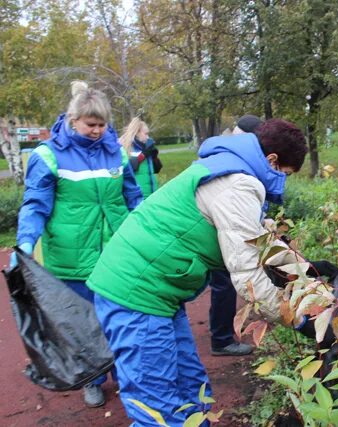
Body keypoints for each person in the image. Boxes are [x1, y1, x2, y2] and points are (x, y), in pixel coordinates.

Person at [86, 119, 309, 426]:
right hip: (136, 291)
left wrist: (304, 269)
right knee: (159, 407)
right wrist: (298, 319)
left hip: (158, 291)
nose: (284, 181)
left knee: (191, 385)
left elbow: (256, 238)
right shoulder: (238, 183)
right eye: (285, 174)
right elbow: (248, 279)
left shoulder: (230, 166)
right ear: (272, 160)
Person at [10, 80, 143, 407]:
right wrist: (25, 244)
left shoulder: (116, 152)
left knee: (121, 317)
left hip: (116, 252)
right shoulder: (48, 155)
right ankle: (93, 379)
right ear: (73, 120)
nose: (97, 131)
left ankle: (123, 375)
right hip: (73, 256)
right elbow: (35, 203)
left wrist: (146, 226)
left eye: (102, 125)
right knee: (84, 325)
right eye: (90, 125)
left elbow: (132, 196)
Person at [209, 114, 265, 356]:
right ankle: (221, 339)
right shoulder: (233, 154)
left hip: (217, 221)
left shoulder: (223, 147)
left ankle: (219, 329)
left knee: (221, 280)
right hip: (221, 224)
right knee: (224, 281)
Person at [119, 117, 162, 199]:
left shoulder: (147, 147)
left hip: (152, 194)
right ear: (137, 133)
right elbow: (129, 168)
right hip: (137, 196)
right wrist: (143, 155)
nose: (148, 137)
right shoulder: (127, 147)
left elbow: (157, 169)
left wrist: (154, 156)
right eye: (145, 134)